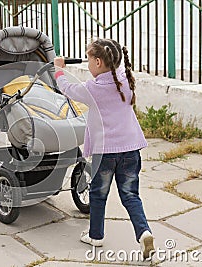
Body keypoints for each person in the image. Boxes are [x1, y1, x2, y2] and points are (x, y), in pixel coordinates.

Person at [53, 38, 155, 260]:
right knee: (130, 195)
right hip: (130, 150)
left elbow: (68, 89)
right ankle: (144, 232)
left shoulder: (93, 88)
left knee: (98, 194)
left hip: (105, 153)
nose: (87, 63)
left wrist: (58, 70)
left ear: (98, 62)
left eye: (88, 58)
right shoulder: (125, 80)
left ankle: (96, 235)